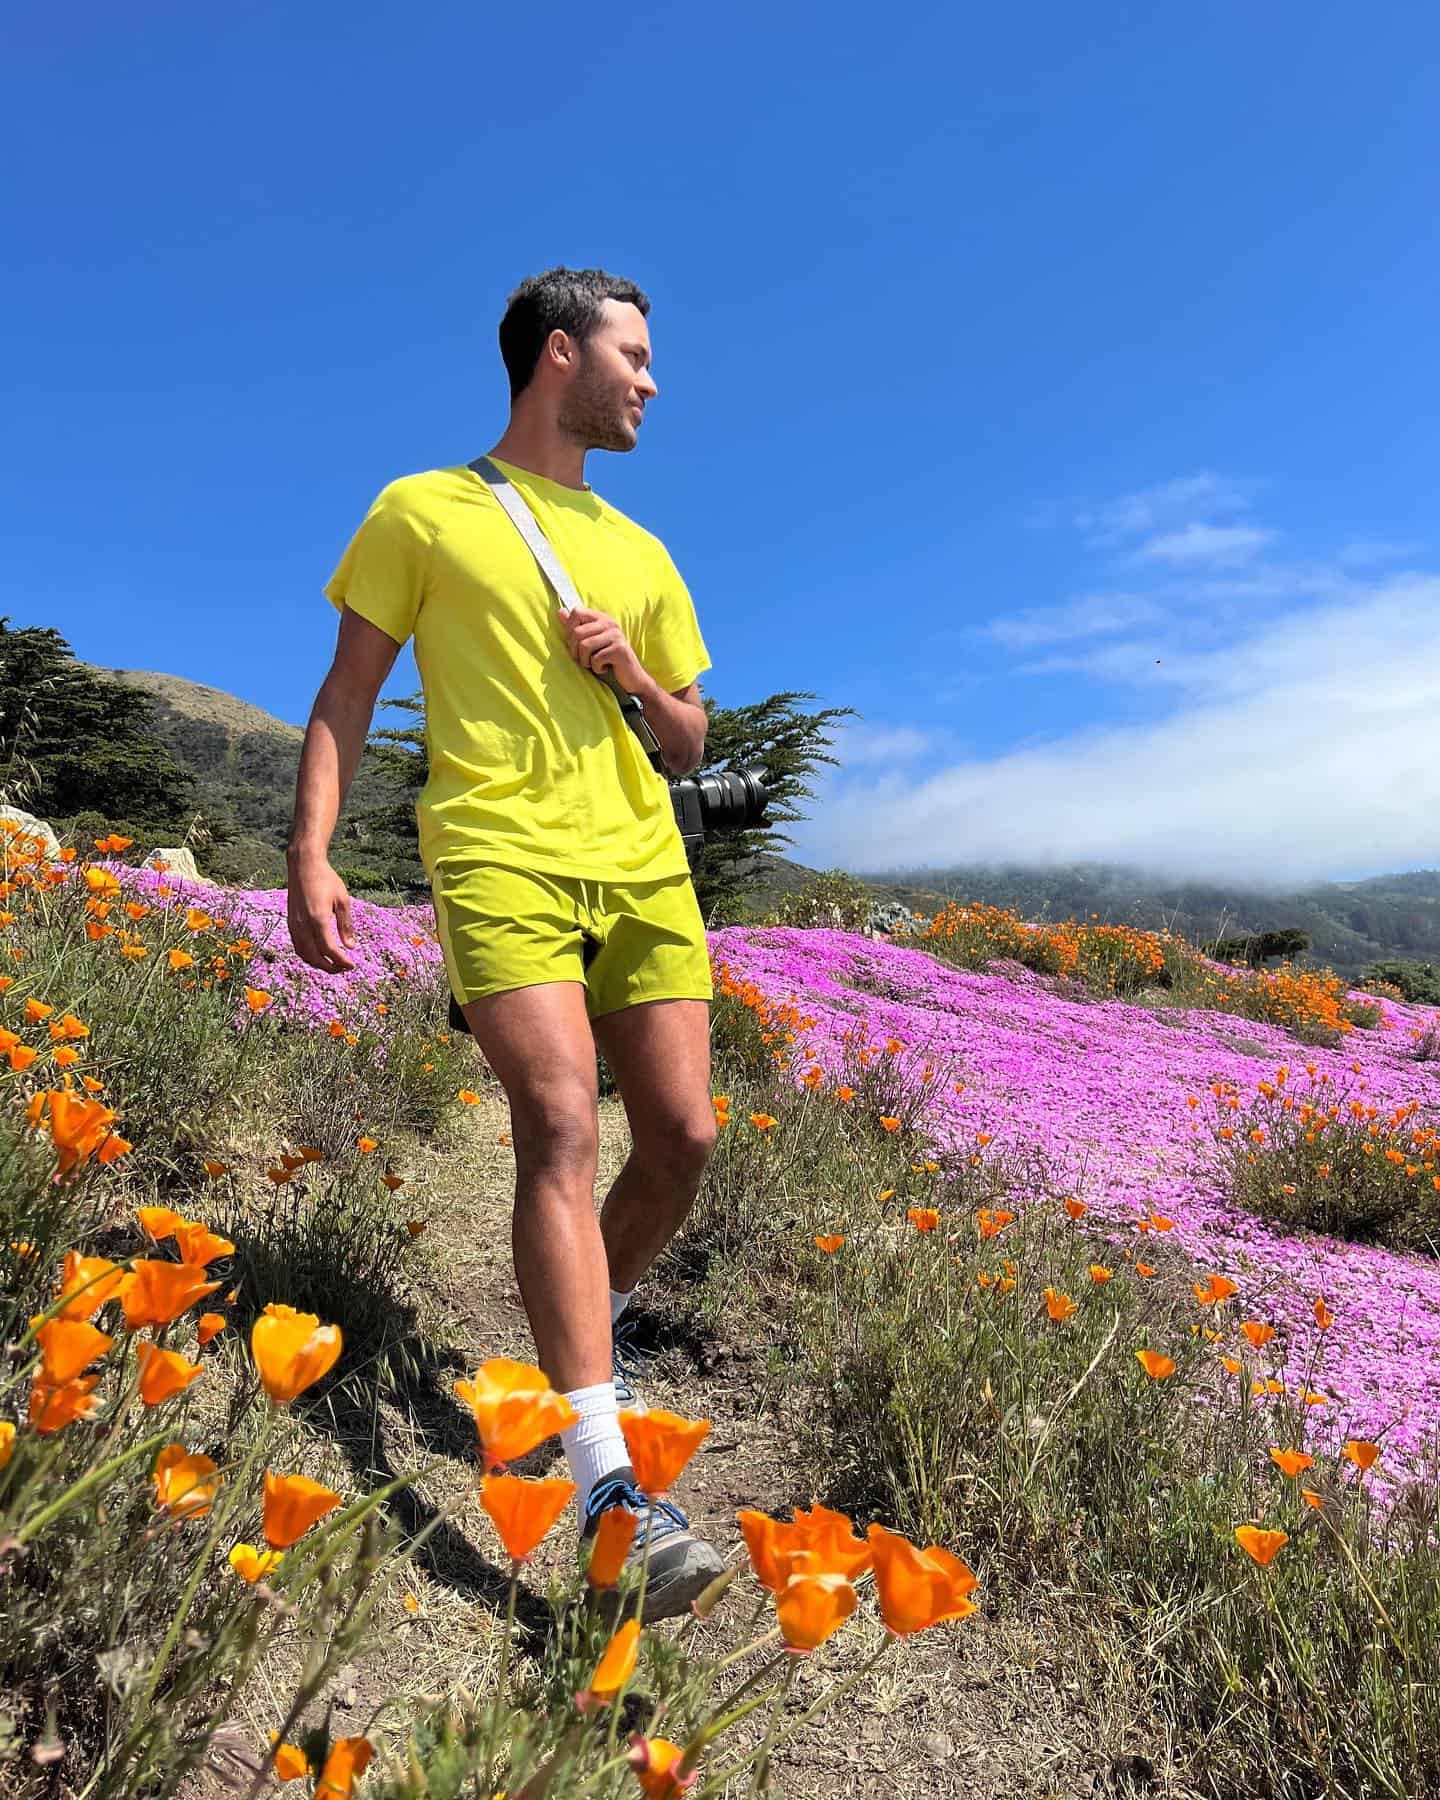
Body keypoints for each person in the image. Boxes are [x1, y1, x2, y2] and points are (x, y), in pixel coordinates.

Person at [285, 267, 725, 1618]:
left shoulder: (644, 554)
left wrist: (634, 676)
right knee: (558, 1119)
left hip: (642, 860)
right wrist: (310, 851)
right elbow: (347, 692)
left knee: (685, 1140)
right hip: (497, 851)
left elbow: (696, 737)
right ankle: (605, 1479)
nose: (651, 381)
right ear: (557, 356)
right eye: (633, 356)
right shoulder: (423, 510)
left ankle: (558, 1360)